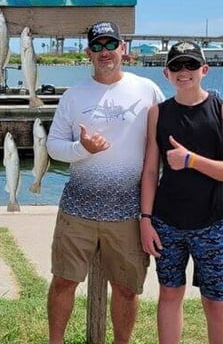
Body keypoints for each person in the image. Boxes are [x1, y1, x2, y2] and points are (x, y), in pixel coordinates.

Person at [45, 21, 165, 344]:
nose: (105, 52)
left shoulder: (148, 91)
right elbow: (52, 147)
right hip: (77, 209)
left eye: (111, 44)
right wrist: (81, 149)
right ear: (88, 53)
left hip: (129, 211)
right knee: (63, 281)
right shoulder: (72, 96)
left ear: (123, 48)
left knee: (126, 289)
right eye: (97, 46)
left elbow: (164, 144)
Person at [140, 41, 223, 344]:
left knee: (216, 302)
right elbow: (149, 171)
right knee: (170, 294)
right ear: (166, 74)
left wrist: (191, 161)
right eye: (176, 66)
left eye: (191, 65)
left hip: (211, 223)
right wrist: (145, 219)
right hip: (167, 223)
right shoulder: (157, 113)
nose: (184, 72)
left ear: (204, 70)